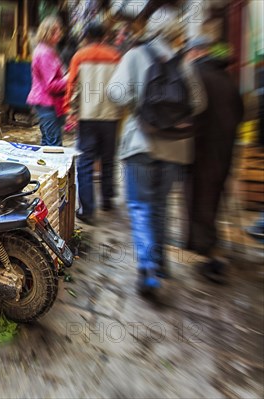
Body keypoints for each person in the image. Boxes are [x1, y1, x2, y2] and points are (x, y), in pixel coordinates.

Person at [107, 12, 207, 295]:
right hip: (174, 148)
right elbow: (199, 103)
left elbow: (115, 92)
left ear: (151, 29)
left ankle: (148, 269)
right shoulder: (183, 61)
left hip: (141, 142)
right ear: (176, 32)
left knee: (140, 206)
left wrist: (141, 104)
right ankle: (162, 265)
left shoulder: (136, 55)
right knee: (161, 207)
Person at [183, 36, 244, 284]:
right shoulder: (226, 77)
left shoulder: (194, 74)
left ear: (195, 52)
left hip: (200, 147)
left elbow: (189, 111)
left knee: (197, 196)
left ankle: (204, 248)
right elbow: (240, 112)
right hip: (225, 148)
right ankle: (202, 240)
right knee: (213, 195)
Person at [65, 22, 122, 224]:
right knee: (108, 158)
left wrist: (70, 111)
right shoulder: (115, 56)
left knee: (86, 163)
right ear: (104, 36)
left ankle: (87, 210)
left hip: (87, 116)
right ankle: (107, 199)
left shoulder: (79, 56)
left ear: (87, 36)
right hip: (110, 116)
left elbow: (72, 86)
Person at [27, 16, 68, 146]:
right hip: (47, 103)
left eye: (59, 30)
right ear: (47, 33)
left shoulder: (48, 50)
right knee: (54, 145)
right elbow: (52, 85)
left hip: (48, 103)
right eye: (56, 31)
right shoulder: (45, 53)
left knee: (48, 141)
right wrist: (69, 78)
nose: (60, 34)